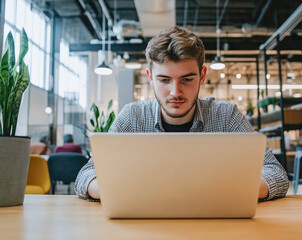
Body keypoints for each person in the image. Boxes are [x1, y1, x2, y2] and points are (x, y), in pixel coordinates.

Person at [75, 26, 289, 201]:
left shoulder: (226, 116)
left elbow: (275, 173)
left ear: (202, 75)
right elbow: (86, 175)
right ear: (150, 77)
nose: (175, 92)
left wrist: (231, 194)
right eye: (164, 80)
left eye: (186, 79)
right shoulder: (133, 117)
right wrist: (118, 193)